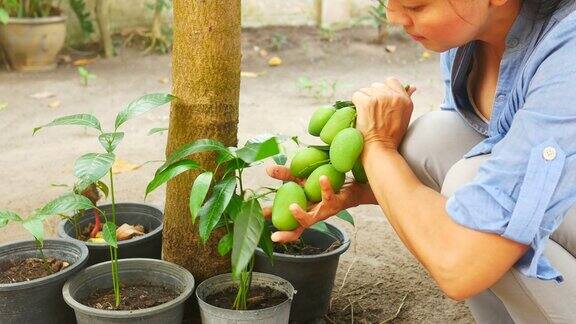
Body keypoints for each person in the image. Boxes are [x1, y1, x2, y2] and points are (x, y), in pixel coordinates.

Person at [263, 0, 576, 322]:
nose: (394, 18)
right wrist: (363, 190)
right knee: (427, 141)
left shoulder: (569, 53)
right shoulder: (470, 38)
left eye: (415, 6)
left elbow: (462, 268)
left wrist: (376, 145)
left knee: (469, 188)